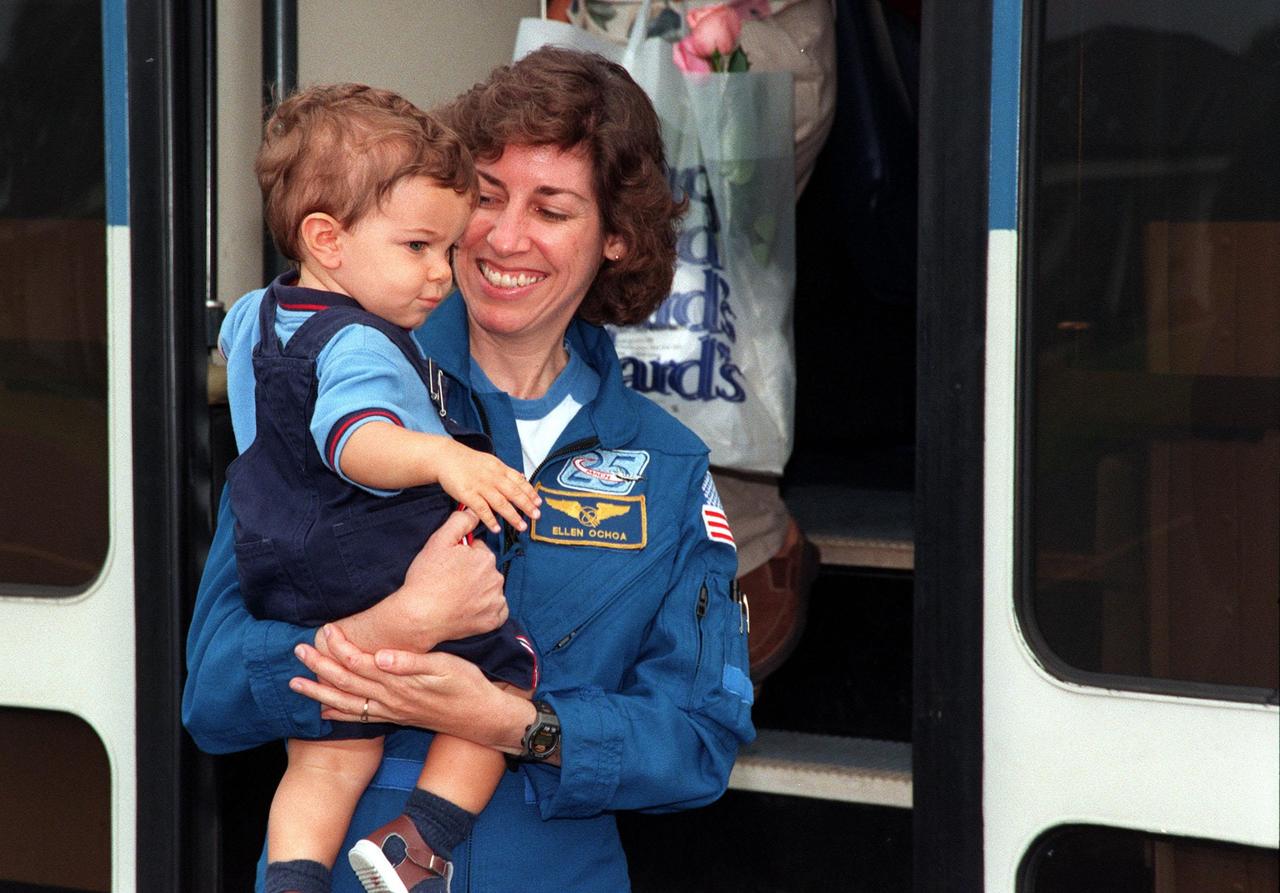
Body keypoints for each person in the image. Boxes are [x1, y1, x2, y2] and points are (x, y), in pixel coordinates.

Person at [183, 47, 755, 893]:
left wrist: (517, 724)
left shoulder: (667, 467)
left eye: (552, 210)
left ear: (617, 239)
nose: (503, 235)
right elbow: (216, 693)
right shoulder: (335, 392)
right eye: (485, 197)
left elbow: (700, 743)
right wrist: (394, 629)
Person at [216, 83, 542, 893]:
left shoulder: (256, 314)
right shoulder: (365, 345)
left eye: (445, 249)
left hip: (278, 566)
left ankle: (294, 878)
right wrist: (445, 460)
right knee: (507, 679)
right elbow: (354, 442)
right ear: (327, 239)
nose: (441, 274)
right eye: (417, 247)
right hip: (367, 551)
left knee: (333, 748)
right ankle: (422, 842)